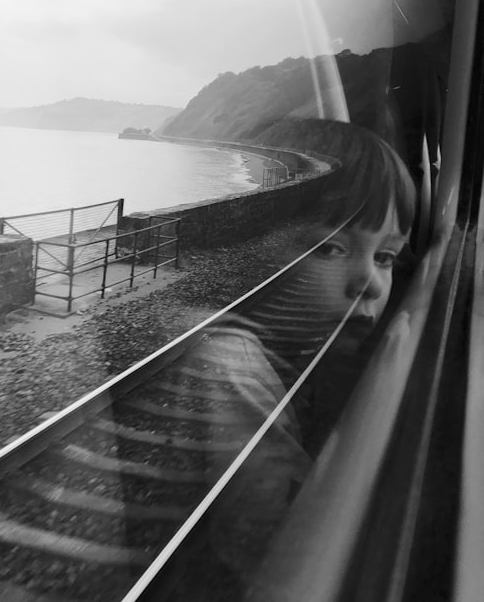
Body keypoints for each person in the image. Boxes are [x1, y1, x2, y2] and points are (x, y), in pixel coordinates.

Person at [158, 121, 417, 595]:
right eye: (332, 247)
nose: (371, 283)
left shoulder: (285, 353)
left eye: (386, 257)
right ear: (262, 254)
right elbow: (270, 540)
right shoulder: (230, 364)